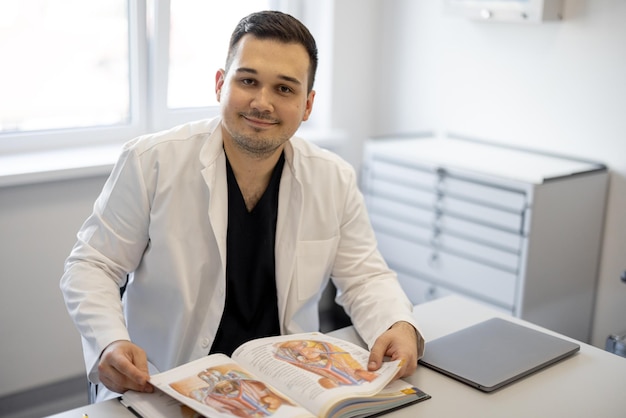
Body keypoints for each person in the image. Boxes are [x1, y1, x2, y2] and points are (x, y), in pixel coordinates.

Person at [60, 10, 424, 403]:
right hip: (166, 383)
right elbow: (93, 264)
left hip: (284, 390)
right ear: (220, 84)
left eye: (285, 89)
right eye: (247, 80)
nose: (262, 103)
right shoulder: (152, 160)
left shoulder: (333, 177)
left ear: (307, 104)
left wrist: (398, 324)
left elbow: (365, 276)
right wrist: (110, 341)